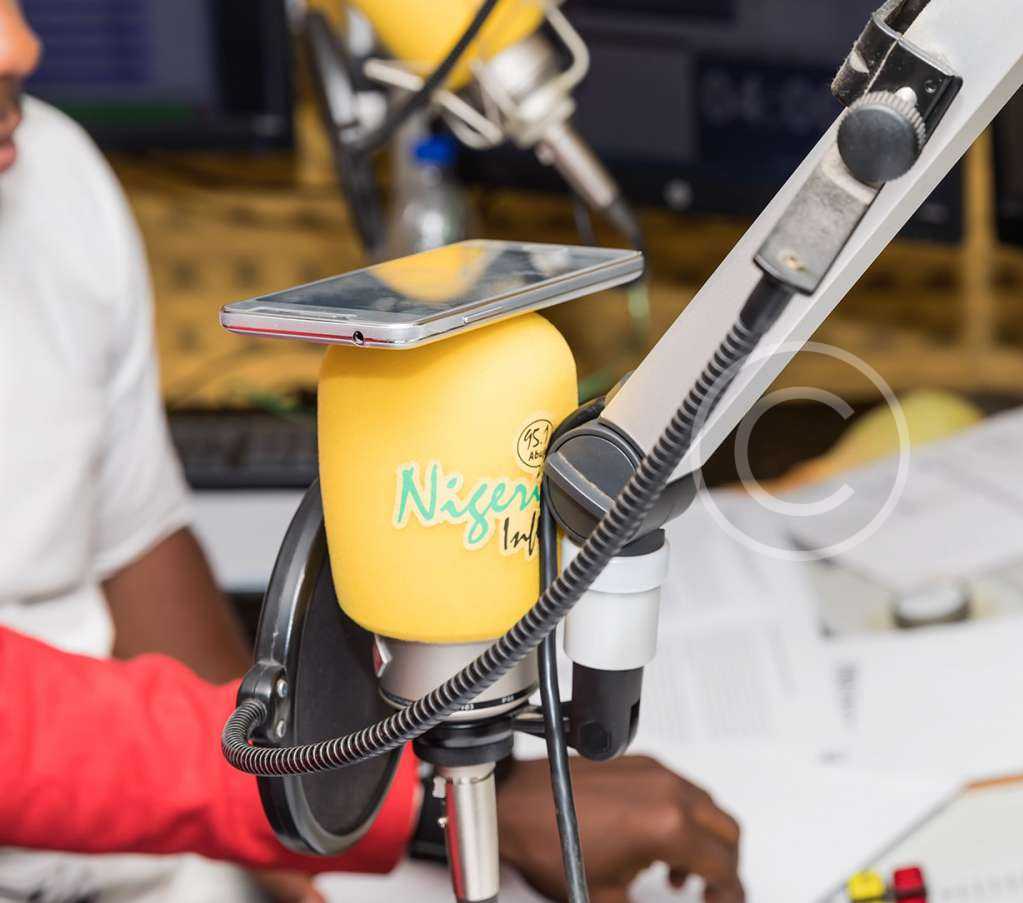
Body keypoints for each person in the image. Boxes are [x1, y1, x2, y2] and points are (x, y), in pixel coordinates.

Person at [0, 2, 742, 900]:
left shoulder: (53, 175)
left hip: (162, 843)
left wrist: (299, 837)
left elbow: (136, 544)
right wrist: (417, 801)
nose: (21, 44)